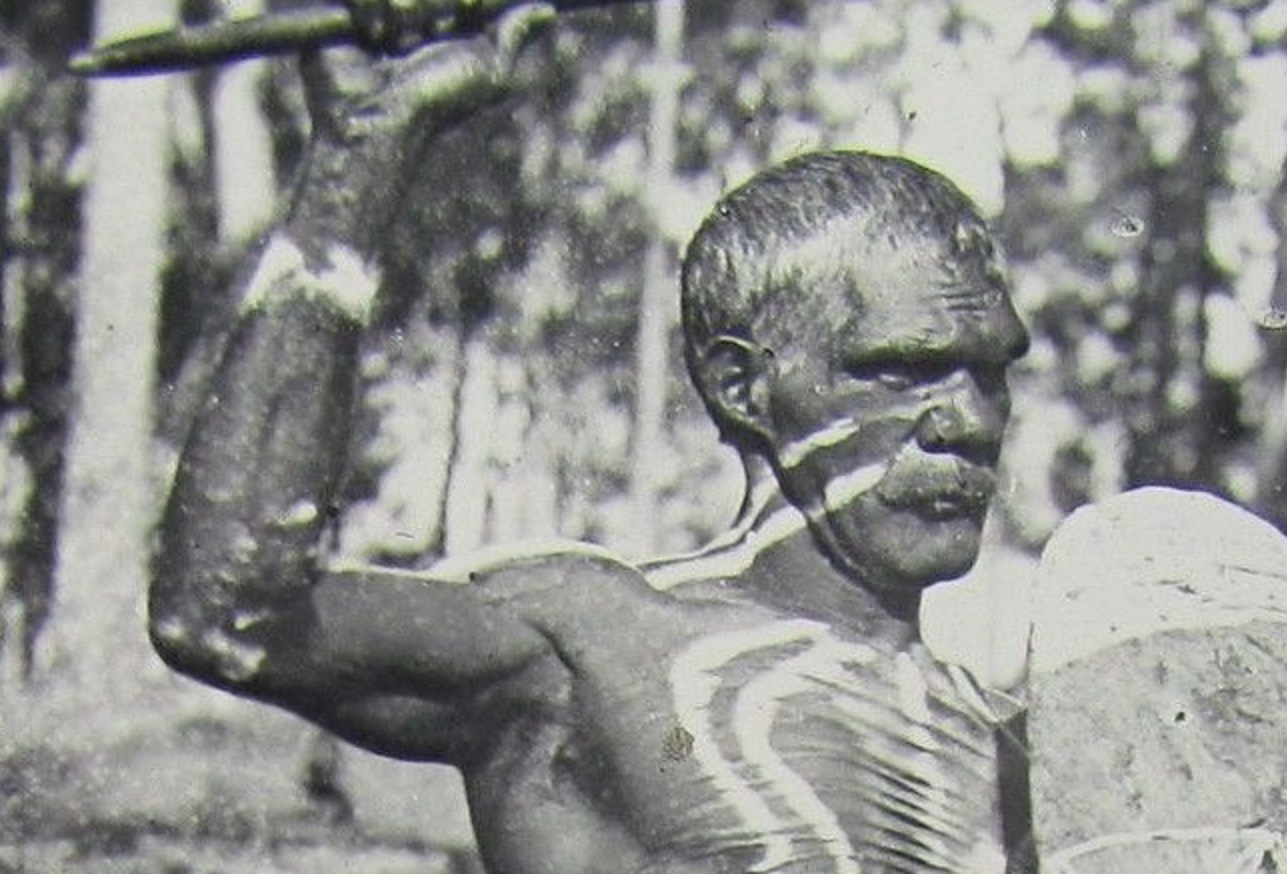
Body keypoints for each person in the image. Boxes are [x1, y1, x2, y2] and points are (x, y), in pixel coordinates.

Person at [150, 2, 1033, 871]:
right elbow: (225, 612)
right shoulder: (599, 647)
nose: (972, 421)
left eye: (993, 372)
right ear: (744, 387)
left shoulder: (1018, 754)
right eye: (902, 371)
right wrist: (365, 145)